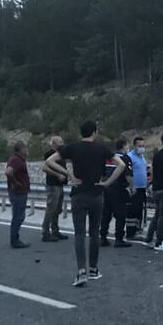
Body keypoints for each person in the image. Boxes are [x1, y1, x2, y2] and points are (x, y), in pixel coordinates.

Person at [46, 121, 126, 286]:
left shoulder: (73, 147)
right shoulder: (101, 148)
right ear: (94, 133)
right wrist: (108, 182)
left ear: (81, 133)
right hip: (97, 194)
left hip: (79, 193)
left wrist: (69, 174)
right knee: (94, 232)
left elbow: (50, 161)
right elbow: (121, 164)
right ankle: (94, 269)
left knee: (80, 233)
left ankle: (81, 271)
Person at [100, 137, 135, 248]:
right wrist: (132, 187)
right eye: (127, 145)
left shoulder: (108, 157)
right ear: (124, 146)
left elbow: (102, 172)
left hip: (106, 188)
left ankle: (103, 237)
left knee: (106, 214)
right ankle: (119, 239)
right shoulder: (125, 158)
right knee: (120, 215)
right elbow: (128, 175)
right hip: (118, 189)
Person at [40, 136, 68, 242]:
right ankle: (45, 232)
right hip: (53, 185)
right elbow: (44, 167)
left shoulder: (61, 155)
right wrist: (57, 175)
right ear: (54, 144)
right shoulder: (50, 154)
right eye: (60, 142)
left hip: (59, 185)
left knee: (57, 209)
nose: (62, 143)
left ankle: (55, 230)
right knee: (51, 208)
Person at [5, 140, 31, 248]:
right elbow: (8, 172)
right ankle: (15, 240)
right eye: (26, 147)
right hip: (18, 193)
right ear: (21, 149)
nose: (27, 149)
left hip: (20, 192)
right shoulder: (15, 160)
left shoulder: (19, 159)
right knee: (18, 216)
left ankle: (15, 238)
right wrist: (15, 182)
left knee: (19, 216)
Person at [126, 136, 148, 239]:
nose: (142, 148)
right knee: (132, 210)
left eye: (143, 146)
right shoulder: (129, 156)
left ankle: (138, 230)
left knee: (140, 209)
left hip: (142, 188)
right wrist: (131, 186)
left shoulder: (142, 157)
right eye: (140, 146)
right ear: (134, 146)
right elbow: (128, 174)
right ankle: (131, 232)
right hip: (134, 188)